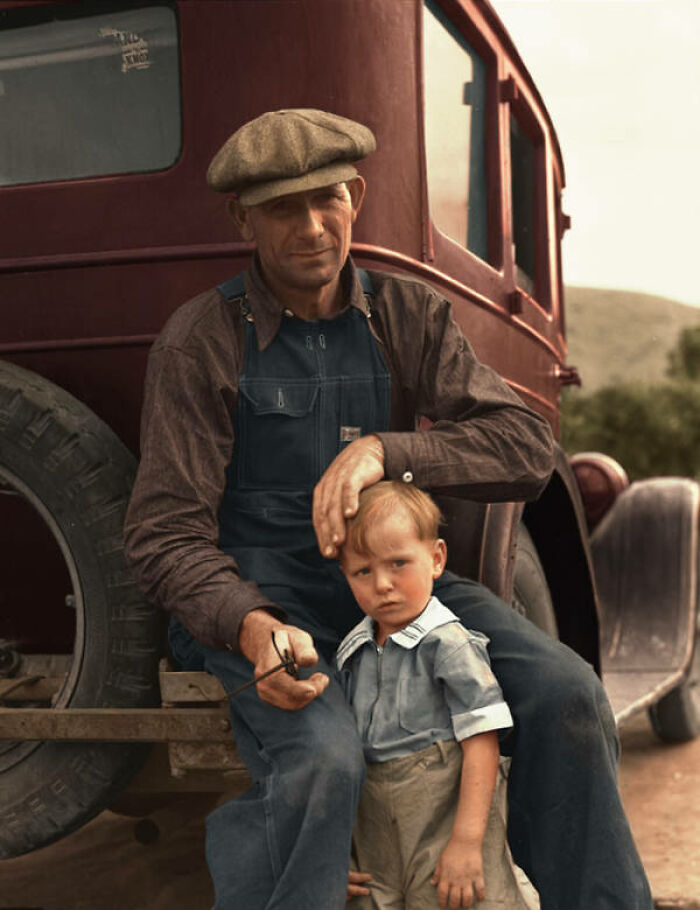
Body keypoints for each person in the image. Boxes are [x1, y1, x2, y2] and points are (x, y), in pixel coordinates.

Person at [123, 108, 651, 909]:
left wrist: (388, 451)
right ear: (243, 220)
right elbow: (163, 534)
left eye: (327, 199)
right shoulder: (200, 340)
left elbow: (526, 449)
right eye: (281, 209)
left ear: (356, 197)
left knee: (567, 693)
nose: (311, 226)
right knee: (323, 762)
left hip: (402, 593)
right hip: (270, 610)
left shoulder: (408, 316)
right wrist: (251, 625)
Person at [336, 481, 533, 909]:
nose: (383, 584)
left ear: (437, 558)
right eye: (363, 571)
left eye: (398, 563)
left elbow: (482, 742)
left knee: (456, 899)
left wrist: (466, 842)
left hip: (443, 816)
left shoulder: (449, 646)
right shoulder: (353, 651)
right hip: (375, 825)